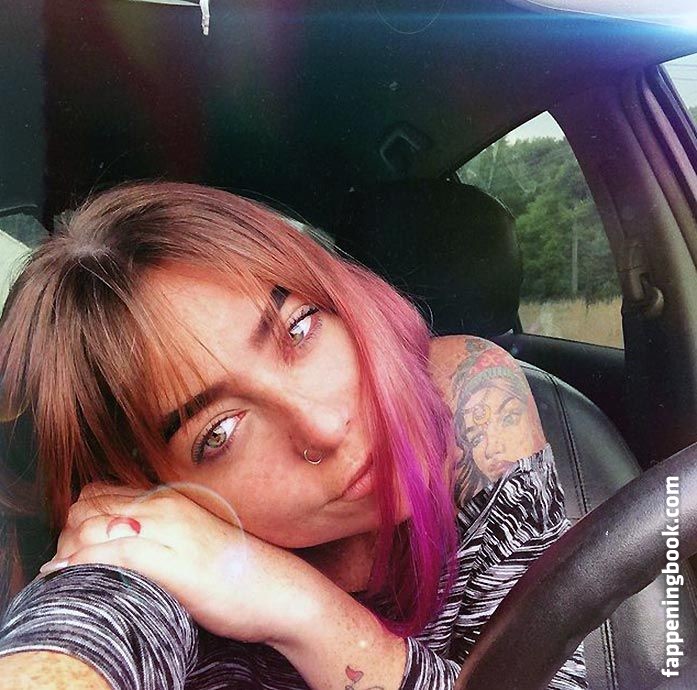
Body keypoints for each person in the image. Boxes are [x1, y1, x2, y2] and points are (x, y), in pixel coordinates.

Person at [0, 182, 586, 689]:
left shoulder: (465, 397)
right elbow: (82, 631)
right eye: (219, 432)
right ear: (152, 491)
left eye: (299, 328)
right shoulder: (152, 558)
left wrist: (306, 612)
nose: (324, 427)